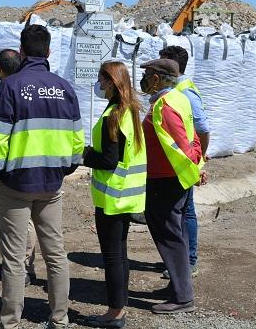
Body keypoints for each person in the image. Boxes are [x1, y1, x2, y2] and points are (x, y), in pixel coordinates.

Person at [0, 24, 84, 329]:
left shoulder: (10, 86)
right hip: (50, 184)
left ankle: (11, 323)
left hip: (14, 185)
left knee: (15, 260)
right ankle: (60, 319)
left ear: (22, 51)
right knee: (55, 253)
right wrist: (66, 167)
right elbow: (76, 139)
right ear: (49, 52)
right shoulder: (64, 88)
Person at [82, 61, 146, 328]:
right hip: (127, 196)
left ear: (110, 82)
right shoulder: (130, 110)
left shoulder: (113, 116)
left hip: (112, 197)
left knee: (112, 258)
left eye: (101, 79)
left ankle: (114, 312)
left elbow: (108, 160)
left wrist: (86, 155)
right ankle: (120, 307)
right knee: (120, 255)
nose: (99, 84)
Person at [139, 58, 202, 314]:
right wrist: (197, 167)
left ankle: (183, 297)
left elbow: (182, 143)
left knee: (170, 237)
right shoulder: (180, 98)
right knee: (177, 234)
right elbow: (194, 137)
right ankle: (178, 287)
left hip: (166, 179)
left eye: (149, 74)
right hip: (176, 177)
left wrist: (192, 167)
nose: (144, 79)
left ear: (158, 78)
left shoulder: (164, 106)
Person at [159, 45, 210, 278]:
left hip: (183, 162)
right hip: (175, 161)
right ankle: (181, 259)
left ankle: (188, 261)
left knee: (185, 212)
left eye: (162, 62)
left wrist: (199, 161)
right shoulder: (175, 89)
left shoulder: (185, 92)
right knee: (180, 212)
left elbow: (203, 128)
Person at [0, 48, 39, 286]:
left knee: (19, 224)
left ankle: (22, 269)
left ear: (0, 70)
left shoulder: (8, 89)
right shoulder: (34, 87)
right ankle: (21, 265)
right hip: (40, 165)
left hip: (16, 171)